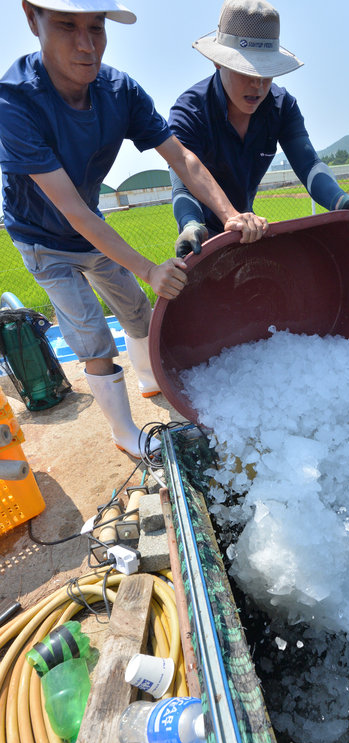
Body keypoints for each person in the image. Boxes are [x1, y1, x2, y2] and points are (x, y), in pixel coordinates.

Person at [0, 0, 268, 458]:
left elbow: (182, 158)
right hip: (44, 237)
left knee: (138, 311)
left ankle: (149, 382)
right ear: (32, 19)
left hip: (92, 227)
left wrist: (229, 215)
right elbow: (72, 213)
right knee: (91, 335)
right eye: (67, 26)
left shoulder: (119, 91)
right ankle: (125, 433)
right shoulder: (15, 103)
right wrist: (148, 267)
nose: (86, 45)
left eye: (97, 28)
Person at [168, 0, 349, 259]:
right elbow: (183, 184)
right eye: (245, 70)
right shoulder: (190, 112)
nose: (257, 85)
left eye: (266, 73)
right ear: (218, 62)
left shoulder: (281, 107)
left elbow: (309, 166)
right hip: (202, 240)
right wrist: (191, 224)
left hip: (244, 229)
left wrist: (341, 201)